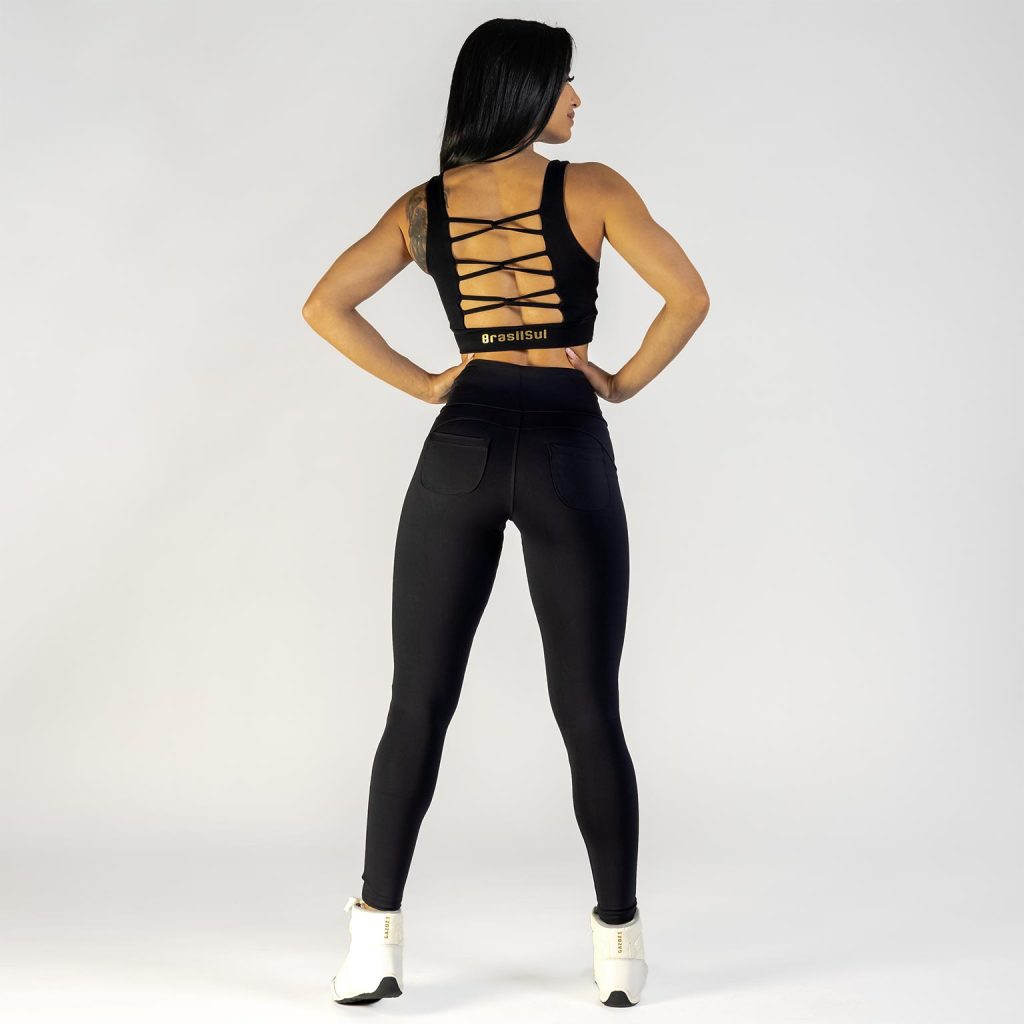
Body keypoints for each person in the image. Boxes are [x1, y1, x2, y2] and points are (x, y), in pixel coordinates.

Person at [301, 17, 709, 1009]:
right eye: (565, 82)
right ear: (523, 91)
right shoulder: (595, 188)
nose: (577, 99)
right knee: (589, 709)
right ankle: (619, 951)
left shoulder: (424, 207)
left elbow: (324, 304)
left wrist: (428, 383)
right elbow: (688, 298)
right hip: (568, 446)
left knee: (416, 705)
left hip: (464, 447)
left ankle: (373, 944)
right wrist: (618, 380)